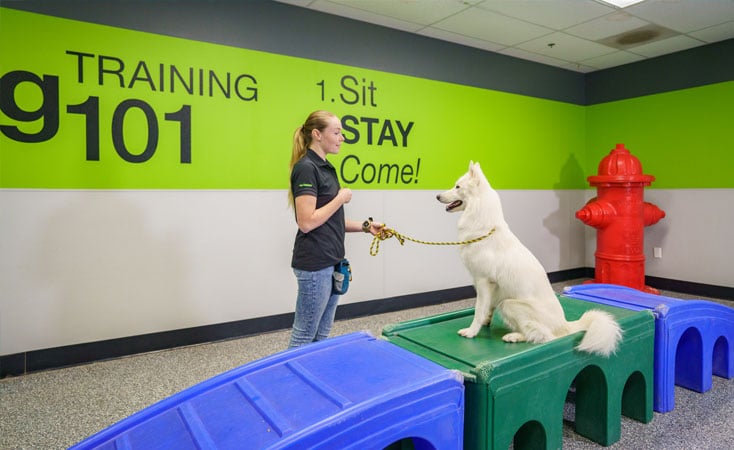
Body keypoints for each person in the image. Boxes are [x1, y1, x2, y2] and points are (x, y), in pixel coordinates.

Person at [288, 110, 383, 348]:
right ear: (317, 134)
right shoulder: (306, 168)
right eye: (337, 132)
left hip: (332, 260)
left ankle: (313, 381)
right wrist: (340, 198)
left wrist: (365, 227)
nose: (342, 138)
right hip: (314, 265)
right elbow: (307, 221)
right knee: (304, 336)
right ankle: (289, 384)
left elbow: (330, 220)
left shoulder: (326, 167)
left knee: (321, 336)